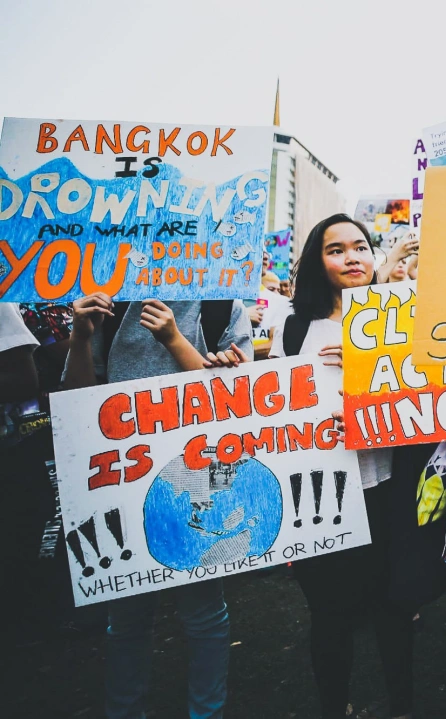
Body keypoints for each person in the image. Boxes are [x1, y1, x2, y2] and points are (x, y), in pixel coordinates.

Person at [62, 293, 252, 719]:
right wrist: (80, 337)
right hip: (121, 482)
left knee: (203, 612)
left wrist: (173, 339)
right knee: (127, 616)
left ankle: (207, 711)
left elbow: (239, 401)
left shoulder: (221, 305)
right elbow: (74, 401)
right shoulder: (108, 306)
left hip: (197, 481)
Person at [267, 213, 413, 719]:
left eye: (360, 246)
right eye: (336, 249)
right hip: (322, 493)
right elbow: (273, 407)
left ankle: (402, 704)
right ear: (317, 260)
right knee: (329, 614)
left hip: (388, 487)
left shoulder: (401, 317)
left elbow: (428, 399)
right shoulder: (291, 327)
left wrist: (369, 367)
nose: (352, 257)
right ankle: (334, 705)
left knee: (393, 609)